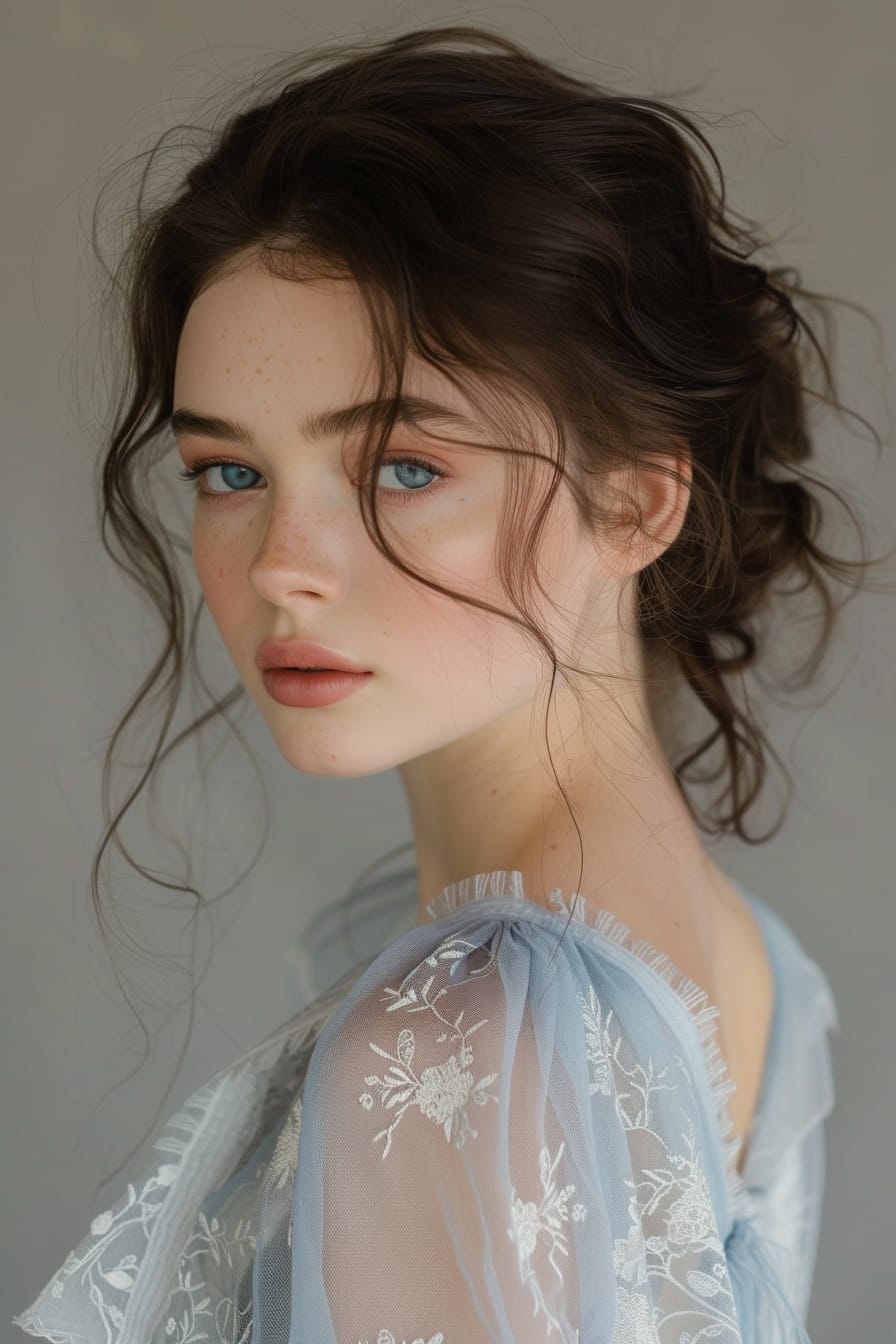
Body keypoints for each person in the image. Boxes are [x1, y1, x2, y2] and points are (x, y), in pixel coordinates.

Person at [13, 23, 887, 1344]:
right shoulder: (745, 959)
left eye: (404, 469)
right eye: (228, 473)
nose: (285, 570)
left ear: (637, 501)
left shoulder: (456, 1051)